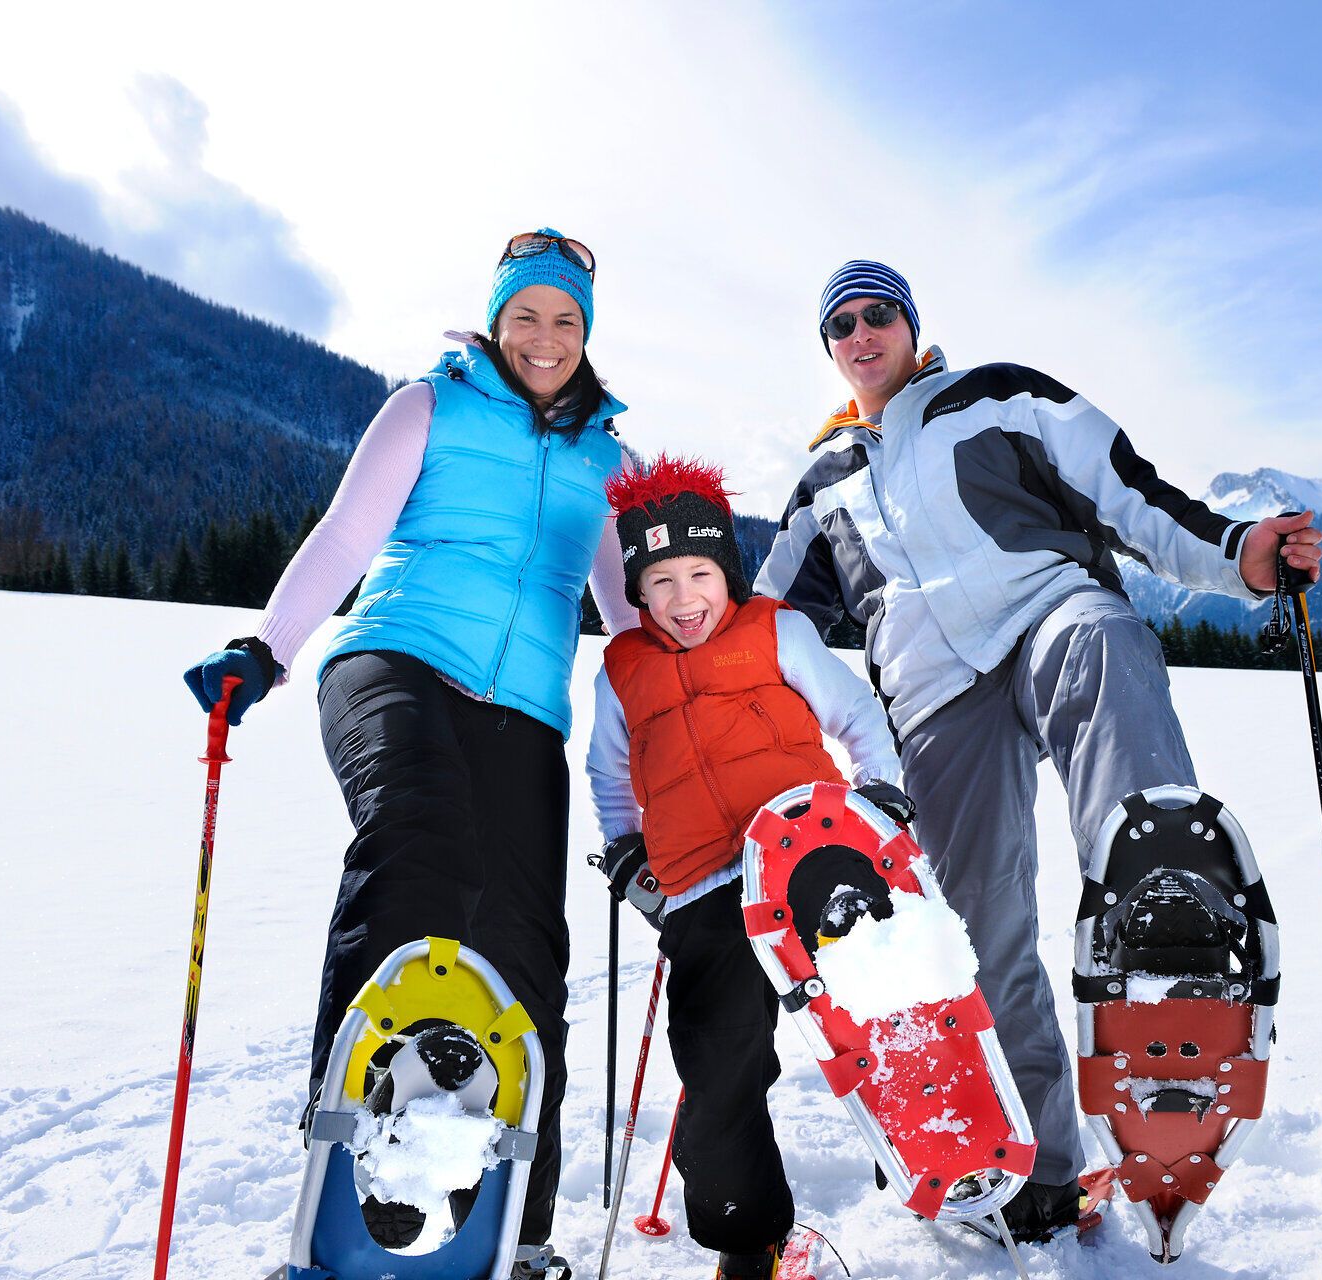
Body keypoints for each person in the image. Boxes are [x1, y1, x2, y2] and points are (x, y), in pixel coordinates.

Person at [754, 260, 1322, 1243]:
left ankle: (1159, 911)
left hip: (1047, 610)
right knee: (975, 936)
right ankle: (1043, 1173)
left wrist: (1238, 554)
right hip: (931, 693)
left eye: (877, 311)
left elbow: (1129, 495)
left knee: (1103, 644)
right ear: (831, 349)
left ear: (911, 321)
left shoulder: (995, 398)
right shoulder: (822, 486)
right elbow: (761, 635)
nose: (861, 332)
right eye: (840, 323)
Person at [183, 229, 629, 1276]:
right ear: (496, 317)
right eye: (526, 313)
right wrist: (267, 644)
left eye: (566, 319)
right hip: (397, 658)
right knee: (419, 836)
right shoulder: (429, 403)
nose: (545, 336)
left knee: (526, 948)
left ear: (587, 333)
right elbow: (345, 537)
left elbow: (630, 610)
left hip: (526, 711)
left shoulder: (610, 456)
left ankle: (518, 1230)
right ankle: (344, 1151)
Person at [584, 455, 908, 1280]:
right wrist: (628, 855)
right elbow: (607, 771)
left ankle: (941, 1153)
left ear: (726, 571)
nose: (682, 599)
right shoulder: (622, 671)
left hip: (812, 857)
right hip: (702, 892)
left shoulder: (775, 629)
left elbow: (855, 712)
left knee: (892, 1011)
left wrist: (881, 797)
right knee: (719, 1064)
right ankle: (747, 1237)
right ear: (634, 592)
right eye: (658, 582)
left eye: (699, 573)